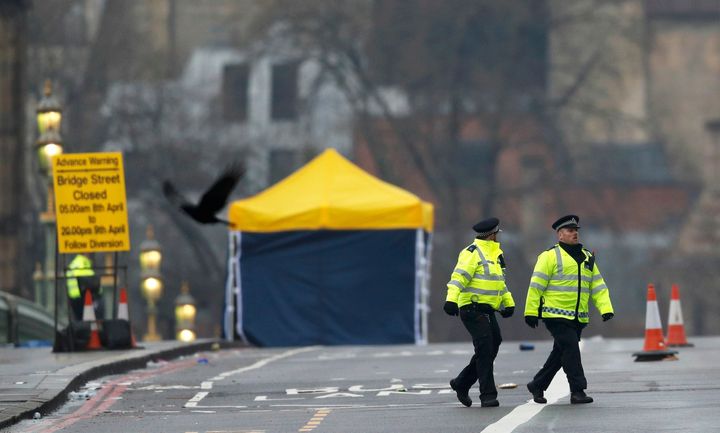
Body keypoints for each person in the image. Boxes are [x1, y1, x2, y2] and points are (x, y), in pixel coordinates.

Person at [523, 214, 614, 405]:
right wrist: (531, 311)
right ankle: (577, 390)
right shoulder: (549, 256)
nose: (574, 234)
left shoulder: (587, 257)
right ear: (559, 235)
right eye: (570, 231)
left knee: (560, 354)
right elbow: (536, 286)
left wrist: (605, 308)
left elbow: (597, 285)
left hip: (577, 317)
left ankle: (537, 384)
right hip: (555, 314)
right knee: (571, 350)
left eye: (576, 231)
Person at [443, 217, 515, 408]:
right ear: (492, 235)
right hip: (471, 308)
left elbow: (500, 283)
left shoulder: (497, 255)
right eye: (497, 234)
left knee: (493, 345)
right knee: (484, 350)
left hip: (488, 310)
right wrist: (451, 299)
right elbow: (458, 278)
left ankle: (461, 383)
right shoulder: (471, 253)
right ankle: (488, 395)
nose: (498, 237)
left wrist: (508, 303)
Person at [66, 253, 102, 321]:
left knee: (79, 323)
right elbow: (91, 283)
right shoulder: (84, 264)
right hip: (84, 299)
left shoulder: (74, 264)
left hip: (75, 300)